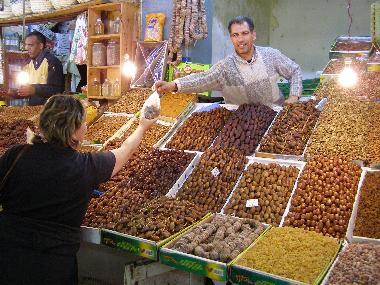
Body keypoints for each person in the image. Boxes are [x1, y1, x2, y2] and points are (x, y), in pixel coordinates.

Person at [0, 95, 156, 284]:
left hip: (8, 258)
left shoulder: (16, 155)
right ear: (73, 130)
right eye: (83, 123)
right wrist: (142, 126)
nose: (86, 127)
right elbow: (125, 151)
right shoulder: (84, 166)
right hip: (55, 267)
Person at [154, 16, 302, 106]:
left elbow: (294, 70)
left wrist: (294, 96)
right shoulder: (225, 67)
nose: (240, 39)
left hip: (275, 113)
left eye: (244, 34)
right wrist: (173, 85)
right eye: (235, 35)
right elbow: (202, 79)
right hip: (241, 122)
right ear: (231, 38)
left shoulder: (271, 55)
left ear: (253, 35)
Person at [17, 31, 64, 106]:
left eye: (30, 45)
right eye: (26, 45)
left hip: (50, 111)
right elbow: (28, 90)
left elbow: (57, 90)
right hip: (33, 109)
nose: (26, 48)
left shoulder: (52, 62)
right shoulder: (28, 63)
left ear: (41, 46)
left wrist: (34, 89)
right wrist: (15, 93)